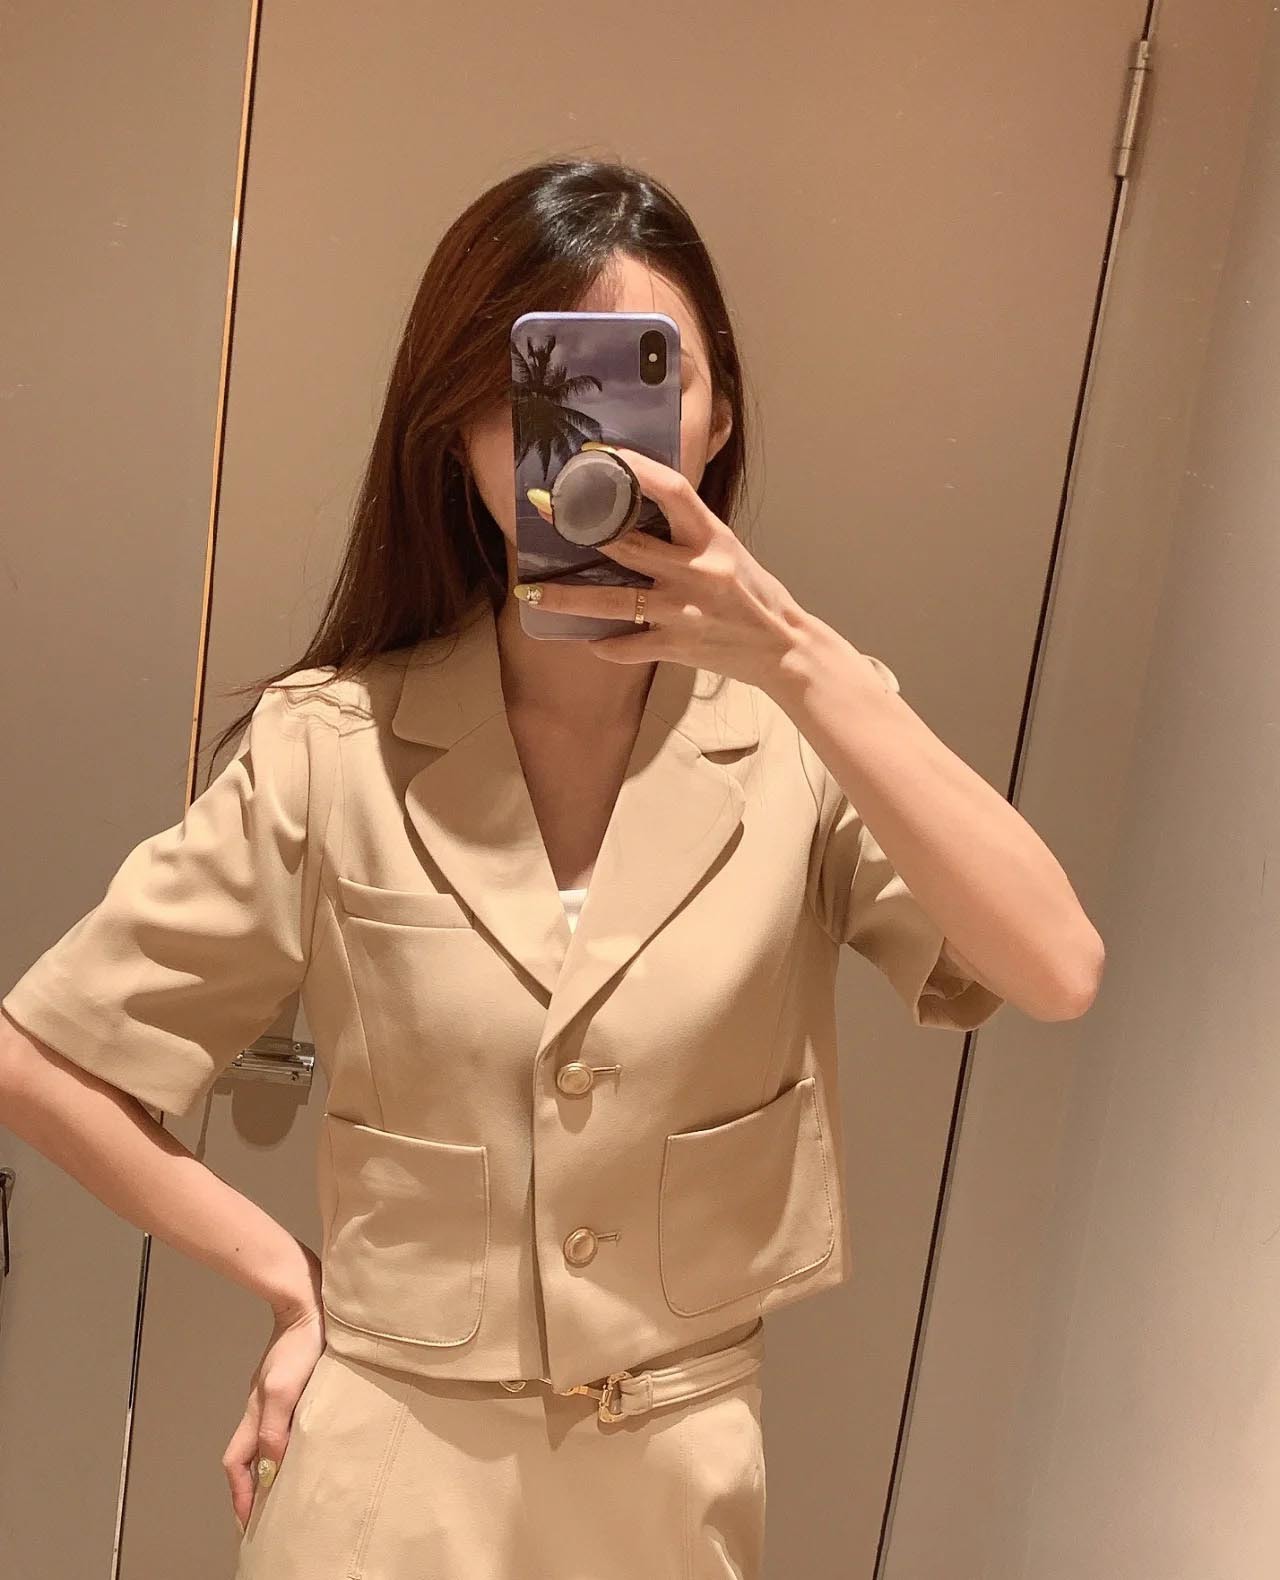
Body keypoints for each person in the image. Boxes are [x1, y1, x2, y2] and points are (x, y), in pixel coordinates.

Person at [0, 158, 1103, 1579]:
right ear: (459, 431)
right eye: (534, 387)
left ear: (716, 416)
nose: (584, 439)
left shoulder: (806, 739)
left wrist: (796, 657)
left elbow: (1054, 968)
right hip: (382, 1481)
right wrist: (288, 1283)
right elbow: (42, 1058)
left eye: (645, 374)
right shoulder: (334, 745)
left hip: (673, 1495)